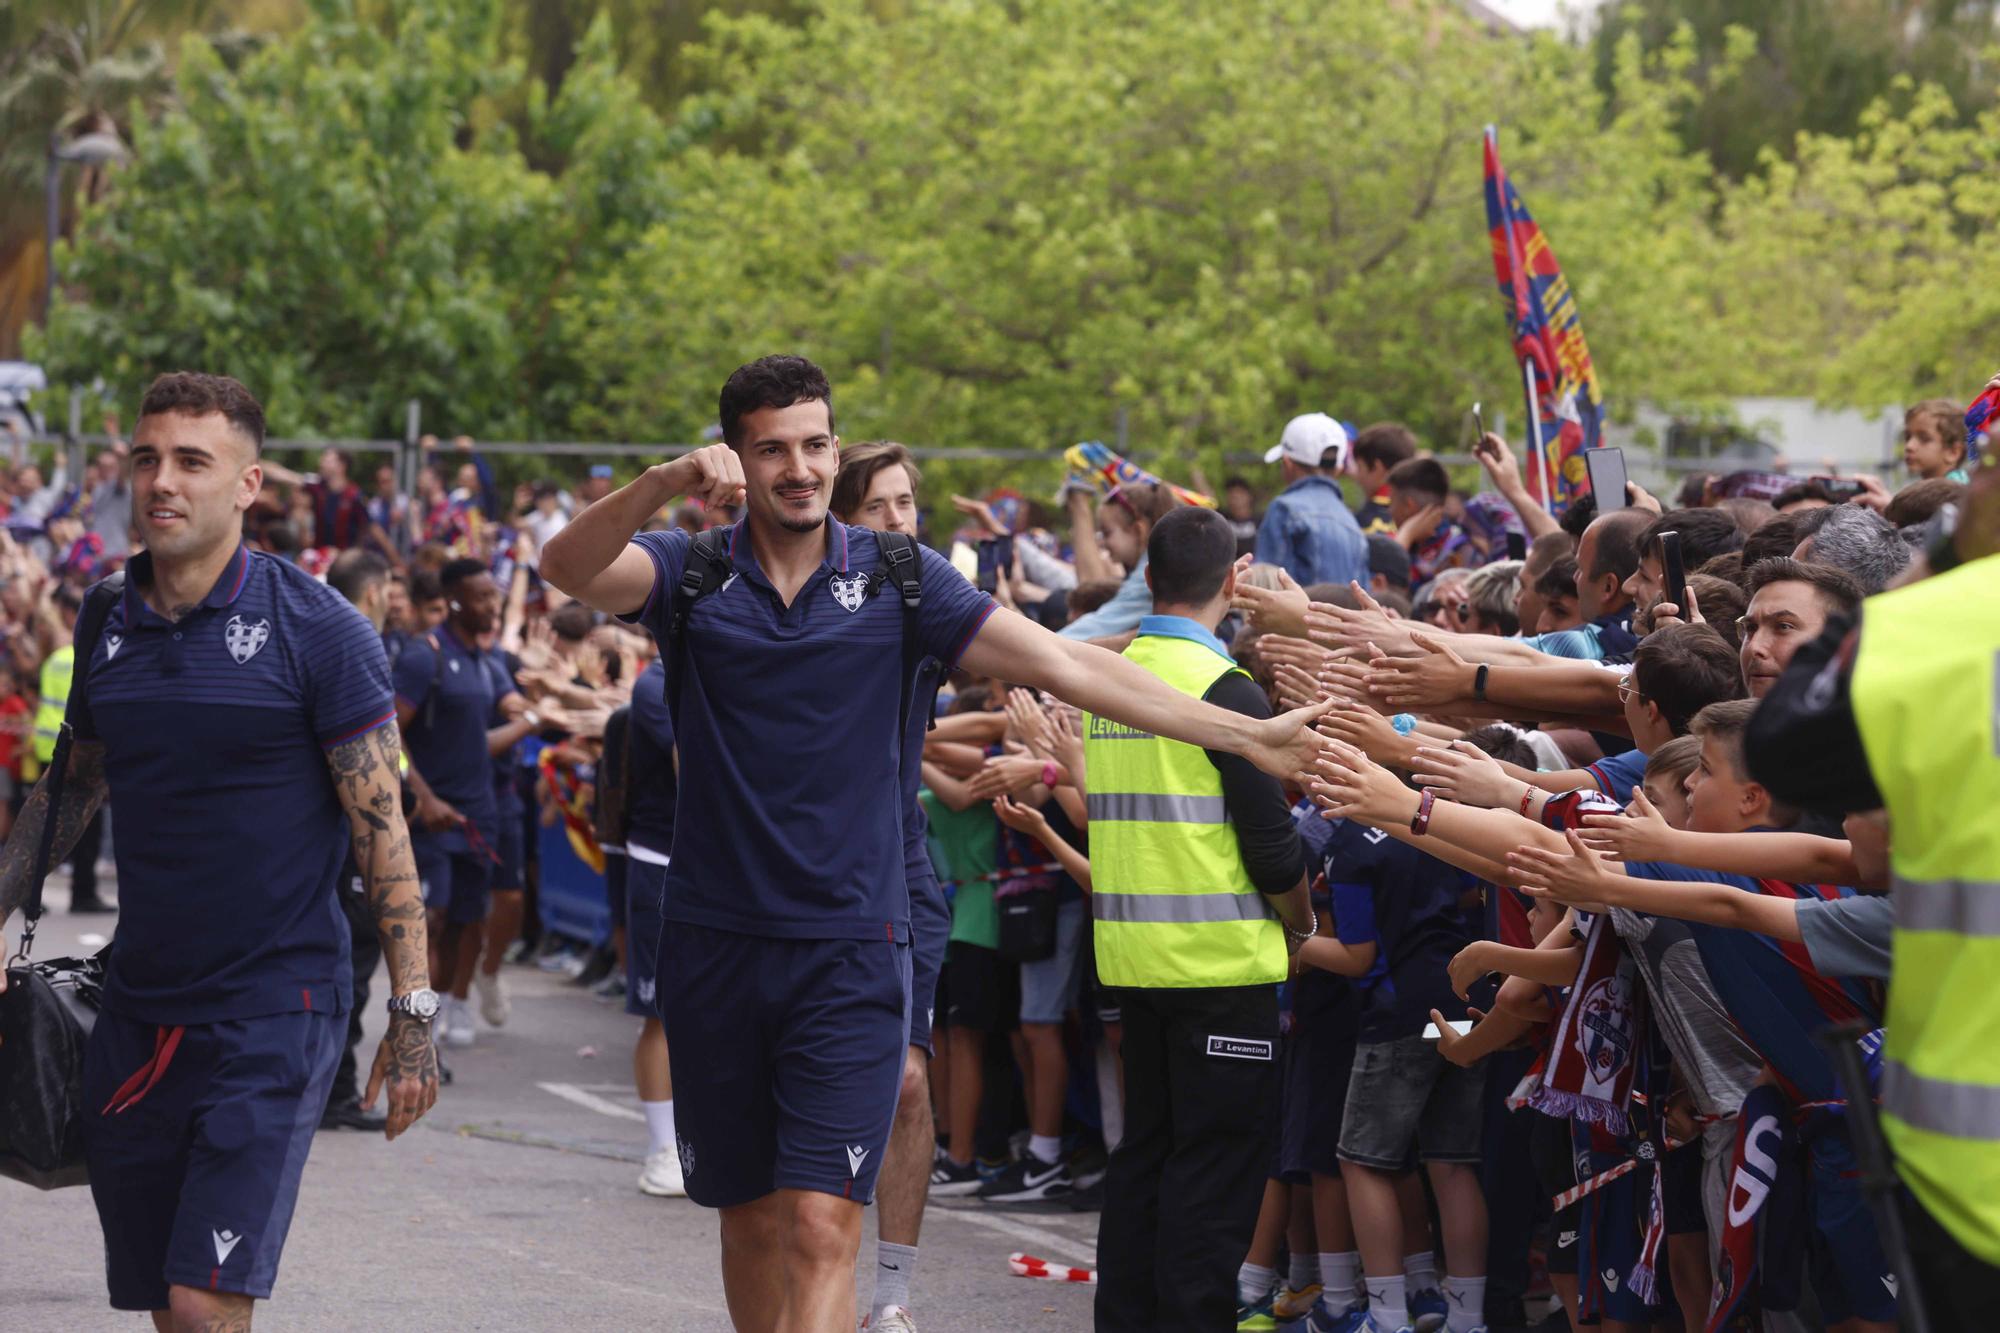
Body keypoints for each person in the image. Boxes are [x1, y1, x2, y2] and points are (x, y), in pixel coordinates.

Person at [539, 355, 1328, 1332]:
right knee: (750, 1223)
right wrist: (663, 480)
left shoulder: (902, 581)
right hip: (718, 949)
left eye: (816, 444)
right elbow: (565, 569)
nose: (799, 467)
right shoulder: (691, 573)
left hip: (849, 955)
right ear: (737, 458)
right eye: (772, 448)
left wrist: (1244, 733)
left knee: (826, 1228)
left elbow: (1061, 663)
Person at [0, 371, 437, 1330]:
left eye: (194, 461)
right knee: (166, 1295)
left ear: (248, 484)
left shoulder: (319, 629)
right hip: (138, 1003)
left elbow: (382, 834)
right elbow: (72, 784)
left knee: (204, 1300)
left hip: (277, 1006)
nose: (163, 480)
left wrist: (411, 1015)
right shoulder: (106, 614)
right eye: (148, 457)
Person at [1085, 505, 1315, 1332]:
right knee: (1212, 1180)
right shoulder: (1227, 691)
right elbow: (1276, 852)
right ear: (1235, 582)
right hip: (1220, 970)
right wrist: (1302, 923)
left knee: (1143, 1159)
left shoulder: (1107, 681)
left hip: (1132, 967)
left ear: (1148, 579)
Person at [831, 440, 951, 1330]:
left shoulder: (924, 596)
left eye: (908, 504)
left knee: (908, 1082)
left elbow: (1056, 653)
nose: (899, 521)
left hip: (901, 863)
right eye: (880, 507)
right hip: (798, 870)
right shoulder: (793, 606)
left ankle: (892, 1296)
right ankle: (814, 1266)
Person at [393, 558, 546, 1046]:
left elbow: (509, 709)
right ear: (455, 600)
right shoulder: (424, 656)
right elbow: (387, 736)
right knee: (431, 923)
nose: (492, 606)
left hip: (479, 816)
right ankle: (418, 1022)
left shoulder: (489, 662)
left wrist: (536, 708)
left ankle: (448, 1007)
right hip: (433, 818)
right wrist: (422, 795)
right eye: (481, 597)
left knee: (465, 920)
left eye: (494, 597)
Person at [321, 547, 398, 1133]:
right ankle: (335, 1092)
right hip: (353, 842)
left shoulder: (328, 639)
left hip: (355, 838)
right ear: (373, 591)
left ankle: (330, 1088)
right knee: (349, 968)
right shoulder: (350, 645)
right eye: (390, 588)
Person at [621, 654, 686, 1199]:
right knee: (661, 1010)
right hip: (663, 859)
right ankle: (662, 1148)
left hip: (733, 864)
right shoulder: (656, 683)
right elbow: (692, 765)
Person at [1255, 413, 1369, 588]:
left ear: (1287, 463)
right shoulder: (1352, 523)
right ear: (1338, 469)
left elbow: (1267, 587)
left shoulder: (1284, 509)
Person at [1346, 423, 1417, 536]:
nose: (1356, 477)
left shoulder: (1363, 523)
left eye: (1360, 467)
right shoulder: (1422, 516)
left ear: (1377, 468)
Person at [1900, 398, 1971, 483]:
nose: (1909, 446)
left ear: (1953, 452)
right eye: (1907, 437)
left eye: (1924, 439)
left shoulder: (1955, 490)